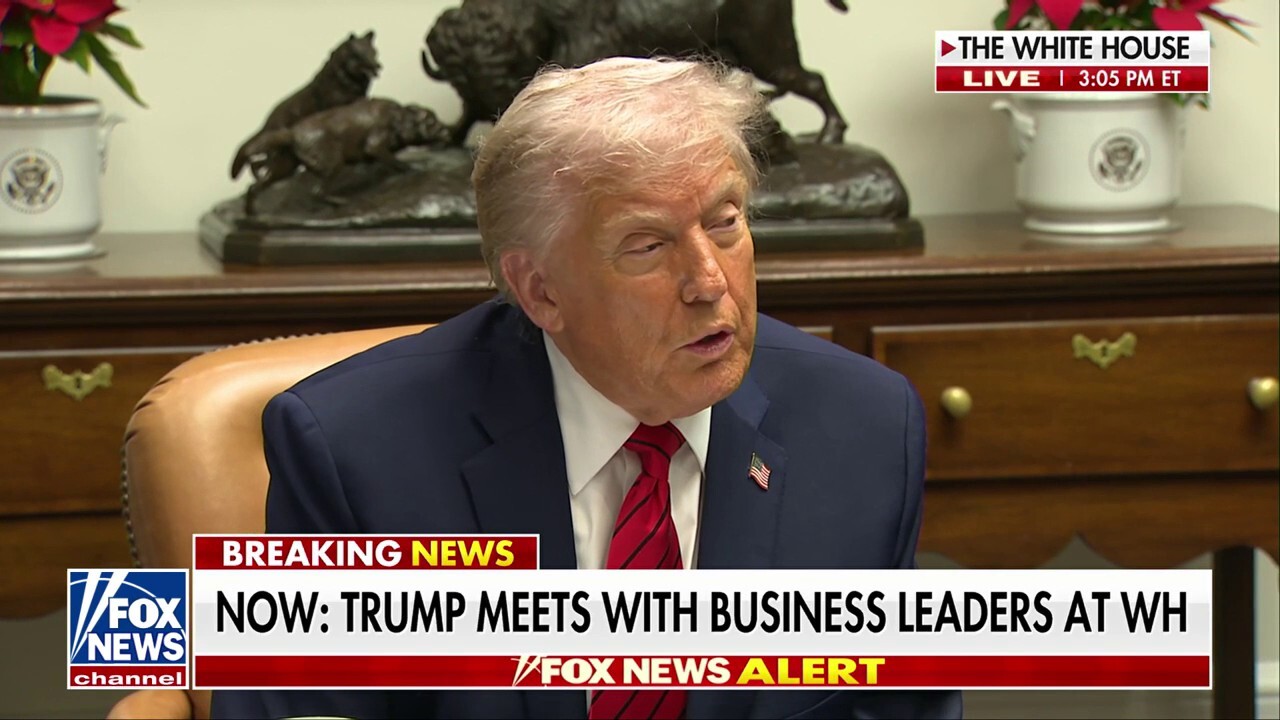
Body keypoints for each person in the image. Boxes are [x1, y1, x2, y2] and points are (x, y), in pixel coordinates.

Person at [213, 56, 962, 720]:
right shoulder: (356, 453)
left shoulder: (865, 428)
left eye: (725, 223)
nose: (710, 282)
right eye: (648, 245)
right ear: (540, 290)